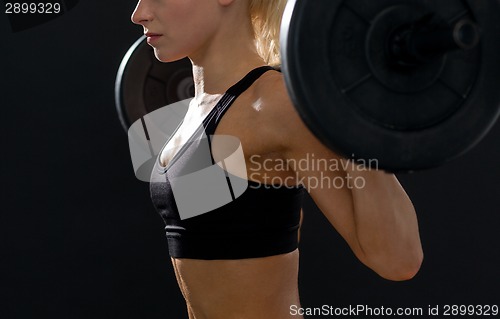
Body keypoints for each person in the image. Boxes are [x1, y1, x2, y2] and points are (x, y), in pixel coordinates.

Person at [131, 0, 424, 318]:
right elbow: (247, 225)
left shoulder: (274, 104)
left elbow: (398, 260)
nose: (139, 14)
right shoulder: (198, 108)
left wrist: (352, 117)